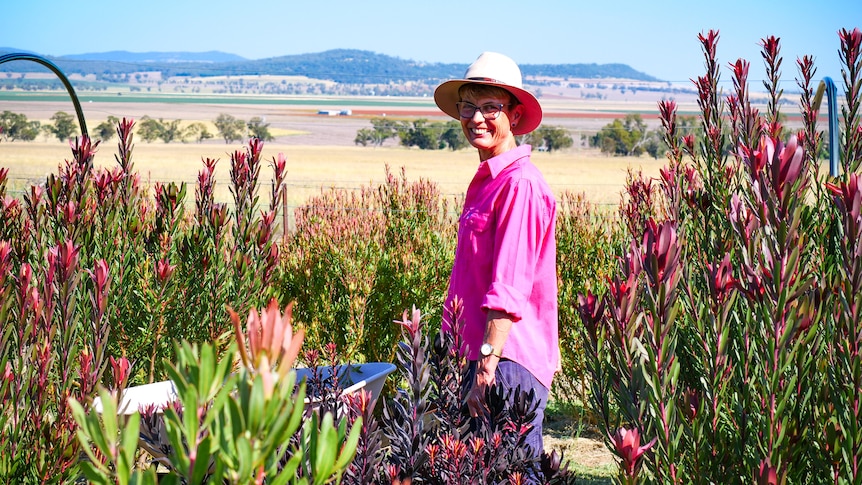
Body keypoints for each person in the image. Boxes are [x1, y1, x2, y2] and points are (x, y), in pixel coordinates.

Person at [435, 51, 560, 462]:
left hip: (505, 363)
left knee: (512, 470)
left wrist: (487, 368)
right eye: (468, 106)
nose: (477, 118)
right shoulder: (492, 180)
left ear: (515, 115)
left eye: (491, 107)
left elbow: (508, 288)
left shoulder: (519, 184)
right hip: (481, 355)